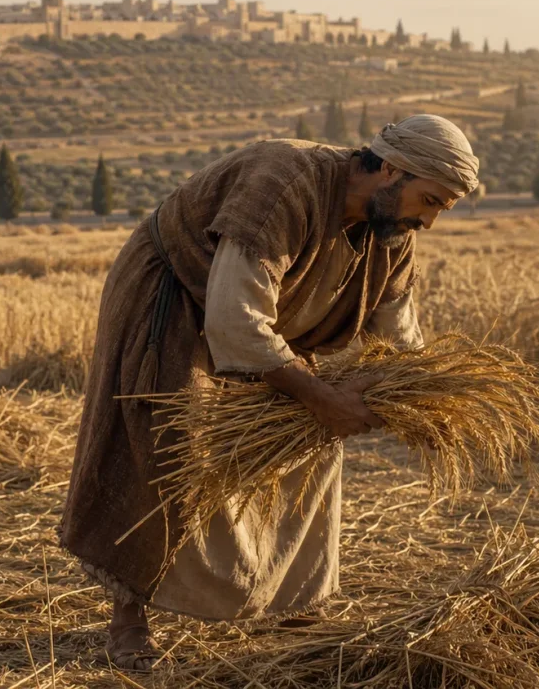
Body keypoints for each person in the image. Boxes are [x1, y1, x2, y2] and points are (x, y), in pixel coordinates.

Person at [59, 115, 479, 671]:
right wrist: (321, 396)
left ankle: (296, 602)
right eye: (428, 200)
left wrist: (425, 402)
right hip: (175, 291)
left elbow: (397, 334)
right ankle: (129, 614)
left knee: (309, 441)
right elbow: (235, 316)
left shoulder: (390, 232)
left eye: (439, 210)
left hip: (263, 320)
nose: (426, 221)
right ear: (392, 170)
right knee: (165, 440)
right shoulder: (284, 184)